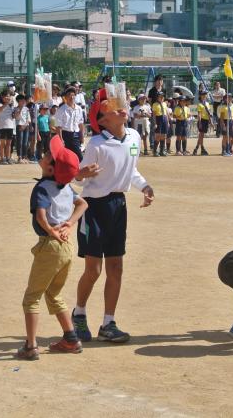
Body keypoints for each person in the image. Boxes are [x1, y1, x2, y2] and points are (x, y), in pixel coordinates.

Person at [71, 98, 155, 344]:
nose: (122, 108)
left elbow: (132, 170)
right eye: (112, 106)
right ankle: (79, 313)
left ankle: (108, 322)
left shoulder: (133, 137)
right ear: (102, 118)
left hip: (118, 206)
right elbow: (79, 178)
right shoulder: (96, 144)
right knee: (93, 269)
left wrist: (145, 186)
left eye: (121, 104)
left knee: (116, 267)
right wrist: (80, 174)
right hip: (94, 208)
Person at [18, 136, 89, 360]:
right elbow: (83, 203)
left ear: (50, 168)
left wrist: (50, 230)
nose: (46, 154)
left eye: (50, 155)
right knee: (54, 293)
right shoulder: (67, 186)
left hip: (50, 246)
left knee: (32, 297)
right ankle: (71, 338)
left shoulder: (42, 188)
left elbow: (40, 216)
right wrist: (70, 222)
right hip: (66, 246)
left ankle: (30, 345)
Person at [54, 87, 85, 161]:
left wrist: (82, 136)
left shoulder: (79, 109)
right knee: (68, 157)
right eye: (69, 95)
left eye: (73, 95)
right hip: (65, 135)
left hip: (76, 136)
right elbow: (58, 126)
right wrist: (61, 139)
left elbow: (81, 124)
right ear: (65, 97)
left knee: (77, 157)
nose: (72, 97)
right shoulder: (61, 110)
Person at [0, 89, 17, 165]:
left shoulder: (12, 105)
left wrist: (15, 113)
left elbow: (14, 116)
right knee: (2, 143)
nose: (7, 98)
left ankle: (8, 158)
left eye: (8, 96)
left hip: (10, 126)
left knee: (9, 143)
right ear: (2, 97)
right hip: (2, 126)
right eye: (6, 96)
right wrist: (6, 104)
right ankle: (2, 159)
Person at [193, 90, 212, 156]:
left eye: (205, 95)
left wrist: (211, 121)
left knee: (201, 136)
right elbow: (199, 114)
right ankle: (200, 148)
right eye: (203, 95)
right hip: (202, 120)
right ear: (200, 96)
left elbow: (209, 113)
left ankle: (198, 149)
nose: (204, 96)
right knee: (201, 135)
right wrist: (200, 122)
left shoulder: (207, 104)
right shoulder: (199, 104)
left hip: (206, 120)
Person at [15, 94, 31, 163]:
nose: (24, 101)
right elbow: (16, 118)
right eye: (22, 100)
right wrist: (19, 110)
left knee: (25, 143)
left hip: (25, 126)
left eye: (24, 100)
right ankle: (19, 157)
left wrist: (25, 125)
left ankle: (24, 156)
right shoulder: (15, 109)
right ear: (18, 101)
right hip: (19, 126)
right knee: (20, 142)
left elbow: (28, 119)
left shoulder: (26, 109)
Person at [152, 91, 168, 157]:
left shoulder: (164, 104)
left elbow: (166, 113)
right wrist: (155, 123)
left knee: (163, 136)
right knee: (158, 136)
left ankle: (162, 151)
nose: (161, 98)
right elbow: (154, 115)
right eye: (160, 96)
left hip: (164, 119)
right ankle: (155, 151)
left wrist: (168, 121)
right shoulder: (155, 104)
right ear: (157, 97)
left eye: (162, 96)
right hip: (158, 119)